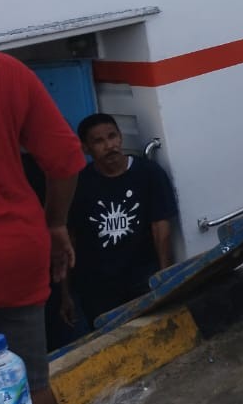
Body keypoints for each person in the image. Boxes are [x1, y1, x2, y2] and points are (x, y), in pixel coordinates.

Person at [0, 50, 84, 404]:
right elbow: (65, 158)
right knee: (29, 382)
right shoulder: (7, 71)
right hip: (14, 248)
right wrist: (55, 223)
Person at [62, 115, 176, 325]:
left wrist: (165, 277)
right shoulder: (79, 185)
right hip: (97, 287)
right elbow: (69, 239)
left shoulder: (148, 174)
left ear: (120, 138)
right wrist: (65, 293)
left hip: (142, 278)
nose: (109, 146)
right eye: (98, 141)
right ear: (86, 148)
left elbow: (161, 229)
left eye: (112, 137)